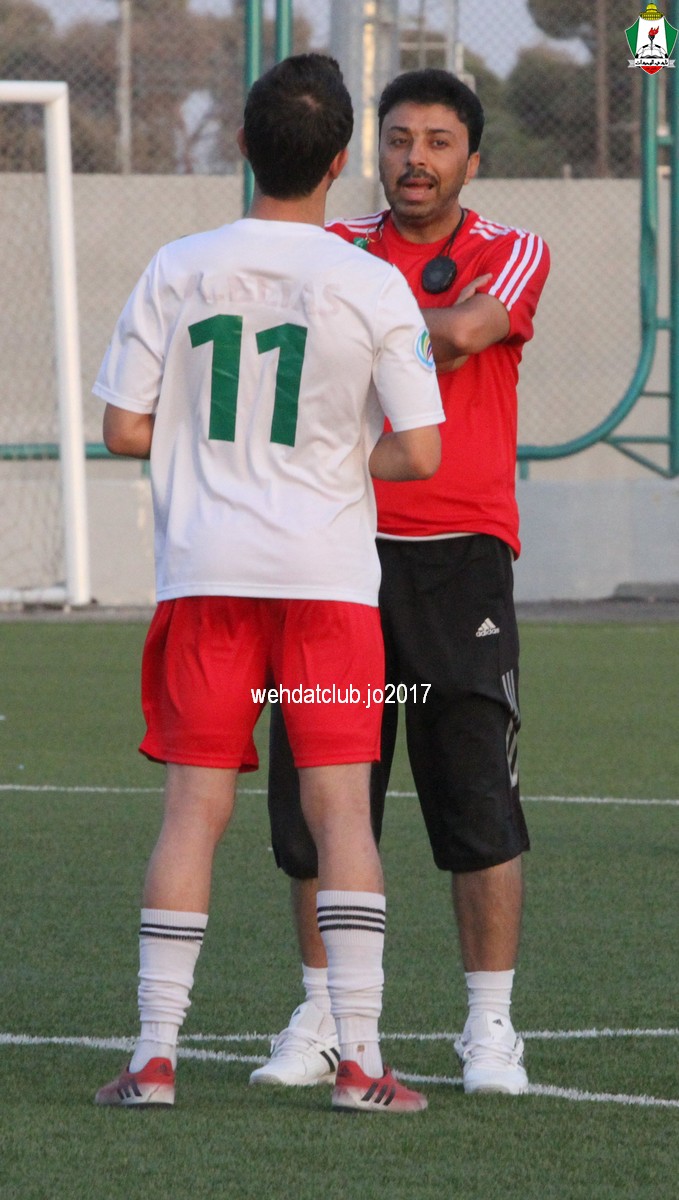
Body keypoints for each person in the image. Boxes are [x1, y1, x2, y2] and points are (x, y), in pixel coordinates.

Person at [91, 54, 445, 1114]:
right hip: (327, 582)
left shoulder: (178, 265)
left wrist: (208, 446)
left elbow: (123, 430)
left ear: (243, 146)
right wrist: (332, 463)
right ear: (343, 161)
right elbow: (420, 450)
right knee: (342, 814)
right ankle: (362, 1066)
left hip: (206, 575)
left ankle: (153, 1060)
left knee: (192, 814)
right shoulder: (371, 282)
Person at [252, 68, 550, 1096]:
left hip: (459, 556)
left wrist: (359, 331)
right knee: (320, 792)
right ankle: (323, 1015)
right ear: (368, 152)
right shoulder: (334, 244)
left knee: (476, 799)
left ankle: (490, 1028)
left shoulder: (513, 250)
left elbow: (466, 333)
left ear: (472, 157)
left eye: (436, 141)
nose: (413, 159)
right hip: (332, 553)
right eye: (396, 139)